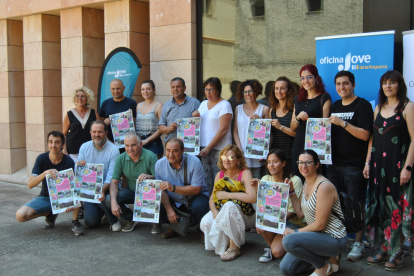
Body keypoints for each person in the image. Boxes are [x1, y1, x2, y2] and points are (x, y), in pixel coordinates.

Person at [363, 70, 414, 270]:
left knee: (396, 207)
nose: (388, 86)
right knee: (381, 207)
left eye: (392, 82)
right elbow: (373, 139)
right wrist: (367, 163)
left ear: (399, 85)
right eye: (385, 83)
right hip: (377, 167)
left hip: (399, 167)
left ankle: (397, 251)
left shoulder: (408, 107)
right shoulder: (379, 107)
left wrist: (408, 168)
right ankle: (383, 248)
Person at [327, 71, 373, 262]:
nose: (341, 87)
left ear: (353, 85)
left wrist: (343, 123)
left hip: (355, 166)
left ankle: (359, 243)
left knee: (357, 205)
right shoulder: (335, 106)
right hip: (334, 165)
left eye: (345, 84)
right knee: (336, 205)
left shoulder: (363, 105)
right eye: (338, 84)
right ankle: (342, 240)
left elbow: (365, 135)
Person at [280, 150, 347, 275]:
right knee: (287, 268)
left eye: (308, 162)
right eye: (300, 162)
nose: (303, 166)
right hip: (315, 237)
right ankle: (327, 257)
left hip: (334, 239)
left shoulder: (324, 186)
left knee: (289, 240)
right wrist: (292, 192)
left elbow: (320, 225)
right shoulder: (306, 183)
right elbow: (300, 214)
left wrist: (295, 232)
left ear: (317, 165)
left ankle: (322, 266)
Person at [15, 131, 85, 236]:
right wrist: (45, 173)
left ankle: (75, 221)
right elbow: (30, 184)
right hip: (46, 197)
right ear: (48, 144)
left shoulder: (68, 162)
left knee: (78, 192)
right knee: (20, 215)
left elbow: (74, 187)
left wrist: (69, 202)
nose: (53, 145)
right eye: (51, 142)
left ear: (63, 145)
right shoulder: (41, 159)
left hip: (63, 197)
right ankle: (50, 213)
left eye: (57, 142)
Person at [200, 145, 256, 261]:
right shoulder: (219, 175)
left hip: (246, 213)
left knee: (229, 205)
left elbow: (252, 198)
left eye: (231, 157)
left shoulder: (245, 173)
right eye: (224, 156)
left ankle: (234, 247)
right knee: (205, 222)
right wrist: (215, 213)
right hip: (225, 210)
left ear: (238, 160)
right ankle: (223, 243)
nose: (226, 159)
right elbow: (212, 199)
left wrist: (228, 195)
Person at [251, 149, 304, 263]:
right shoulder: (265, 179)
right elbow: (264, 206)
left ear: (283, 163)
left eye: (275, 161)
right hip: (277, 220)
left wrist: (272, 221)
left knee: (277, 252)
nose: (271, 165)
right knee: (261, 222)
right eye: (269, 162)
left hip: (293, 222)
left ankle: (287, 247)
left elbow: (294, 211)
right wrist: (257, 190)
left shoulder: (294, 180)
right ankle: (271, 247)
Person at [155, 138, 210, 239]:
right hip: (173, 200)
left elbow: (196, 189)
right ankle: (174, 227)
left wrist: (173, 188)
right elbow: (161, 190)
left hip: (194, 197)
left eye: (175, 151)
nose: (170, 154)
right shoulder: (159, 164)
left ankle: (202, 230)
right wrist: (169, 209)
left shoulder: (194, 162)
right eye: (168, 150)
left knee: (199, 206)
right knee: (157, 205)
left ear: (183, 150)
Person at [106, 132, 158, 232]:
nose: (130, 149)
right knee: (109, 198)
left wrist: (150, 176)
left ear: (140, 144)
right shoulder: (121, 158)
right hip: (131, 192)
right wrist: (113, 202)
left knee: (160, 194)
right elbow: (114, 182)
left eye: (133, 145)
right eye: (127, 145)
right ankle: (130, 218)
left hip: (148, 193)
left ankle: (156, 222)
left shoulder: (151, 156)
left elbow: (160, 180)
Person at [192, 77, 233, 194]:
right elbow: (200, 124)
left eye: (211, 89)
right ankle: (211, 206)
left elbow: (223, 130)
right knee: (207, 179)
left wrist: (208, 148)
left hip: (220, 150)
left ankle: (221, 206)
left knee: (220, 179)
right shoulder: (203, 104)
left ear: (218, 90)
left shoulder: (225, 105)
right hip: (204, 148)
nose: (207, 92)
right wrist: (195, 117)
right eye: (205, 89)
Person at [290, 64, 331, 180]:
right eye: (302, 78)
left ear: (317, 78)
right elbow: (292, 127)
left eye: (309, 77)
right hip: (299, 144)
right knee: (298, 180)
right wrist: (298, 118)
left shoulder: (324, 98)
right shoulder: (297, 100)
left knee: (315, 180)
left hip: (316, 147)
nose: (306, 81)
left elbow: (326, 126)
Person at [77, 121, 120, 230]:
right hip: (90, 190)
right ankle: (104, 210)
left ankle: (113, 220)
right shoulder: (84, 147)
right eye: (94, 132)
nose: (97, 135)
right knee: (91, 223)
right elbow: (79, 175)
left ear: (106, 132)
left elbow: (112, 176)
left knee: (107, 198)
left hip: (108, 188)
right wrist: (80, 166)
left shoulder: (114, 150)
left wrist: (102, 190)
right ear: (90, 133)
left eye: (100, 132)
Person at [233, 79, 270, 179]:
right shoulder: (238, 108)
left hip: (257, 155)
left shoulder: (264, 109)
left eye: (250, 91)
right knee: (242, 184)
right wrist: (239, 150)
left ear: (256, 92)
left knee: (256, 183)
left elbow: (268, 133)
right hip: (243, 154)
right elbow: (235, 132)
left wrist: (264, 152)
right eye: (245, 92)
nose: (248, 94)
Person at [158, 77, 200, 142]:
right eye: (173, 87)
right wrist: (169, 128)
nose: (175, 89)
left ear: (184, 88)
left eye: (178, 87)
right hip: (171, 145)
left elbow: (203, 124)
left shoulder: (195, 103)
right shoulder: (166, 105)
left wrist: (198, 116)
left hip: (189, 145)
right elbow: (161, 127)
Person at [62, 86, 98, 162]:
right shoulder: (70, 114)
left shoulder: (93, 113)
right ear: (75, 98)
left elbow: (100, 129)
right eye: (77, 96)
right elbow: (64, 134)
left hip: (90, 150)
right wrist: (64, 150)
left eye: (82, 96)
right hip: (73, 152)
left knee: (89, 173)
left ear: (87, 98)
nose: (80, 98)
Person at [99, 79, 137, 145]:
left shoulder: (132, 103)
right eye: (113, 89)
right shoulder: (105, 103)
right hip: (109, 143)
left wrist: (130, 117)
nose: (116, 91)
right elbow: (100, 122)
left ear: (123, 88)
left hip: (128, 144)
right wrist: (104, 122)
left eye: (118, 88)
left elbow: (136, 123)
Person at [269, 76, 298, 162]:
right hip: (275, 156)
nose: (279, 91)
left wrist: (280, 127)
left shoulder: (294, 108)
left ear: (289, 91)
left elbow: (298, 134)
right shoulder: (272, 110)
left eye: (282, 88)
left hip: (291, 154)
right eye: (276, 88)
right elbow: (269, 135)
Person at [135, 80, 164, 159]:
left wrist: (146, 140)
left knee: (153, 170)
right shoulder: (138, 106)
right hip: (139, 143)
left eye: (148, 89)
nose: (145, 91)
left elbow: (162, 128)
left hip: (153, 144)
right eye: (143, 89)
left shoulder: (159, 106)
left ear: (154, 90)